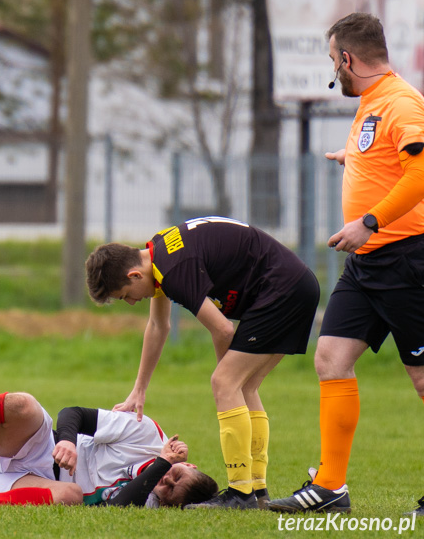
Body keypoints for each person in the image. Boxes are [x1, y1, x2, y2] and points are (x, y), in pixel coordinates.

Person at [269, 13, 424, 517]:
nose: (334, 70)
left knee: (422, 378)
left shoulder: (400, 100)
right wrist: (354, 161)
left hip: (407, 259)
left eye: (333, 60)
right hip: (368, 264)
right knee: (331, 359)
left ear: (346, 58)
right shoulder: (374, 103)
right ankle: (331, 487)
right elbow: (391, 160)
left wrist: (370, 222)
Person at [85, 216, 320, 510]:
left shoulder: (173, 270)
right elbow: (159, 326)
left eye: (125, 296)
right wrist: (139, 389)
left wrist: (226, 379)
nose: (132, 302)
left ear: (134, 275)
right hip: (294, 286)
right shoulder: (158, 253)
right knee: (244, 388)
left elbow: (222, 329)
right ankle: (257, 490)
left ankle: (240, 494)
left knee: (226, 383)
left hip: (282, 290)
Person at [0, 392, 218, 507]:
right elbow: (74, 414)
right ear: (190, 463)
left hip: (26, 486)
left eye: (171, 493)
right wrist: (66, 439)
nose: (165, 482)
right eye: (177, 476)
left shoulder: (150, 497)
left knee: (71, 495)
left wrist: (160, 465)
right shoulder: (146, 433)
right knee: (23, 404)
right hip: (39, 448)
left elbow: (120, 507)